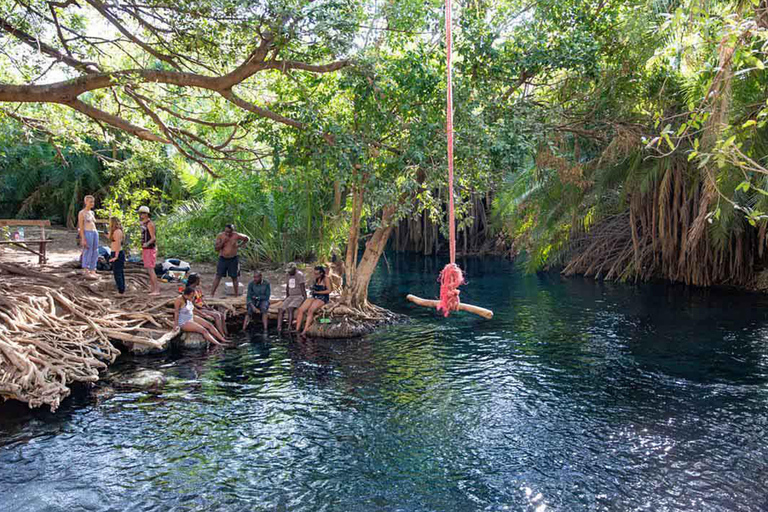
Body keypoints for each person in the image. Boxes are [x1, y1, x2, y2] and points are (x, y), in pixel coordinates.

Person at [210, 224, 250, 297]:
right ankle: (212, 294)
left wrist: (240, 245)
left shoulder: (236, 235)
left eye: (229, 232)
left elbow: (247, 238)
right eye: (226, 232)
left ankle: (236, 295)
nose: (228, 234)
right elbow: (216, 249)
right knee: (218, 276)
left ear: (233, 231)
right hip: (223, 258)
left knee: (234, 277)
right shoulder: (220, 236)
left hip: (233, 259)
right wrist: (223, 242)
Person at [295, 266, 332, 335]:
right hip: (315, 296)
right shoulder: (315, 278)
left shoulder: (326, 278)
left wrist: (318, 292)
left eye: (317, 274)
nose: (315, 275)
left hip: (323, 297)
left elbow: (329, 290)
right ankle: (297, 329)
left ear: (321, 273)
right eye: (314, 273)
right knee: (300, 309)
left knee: (310, 310)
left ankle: (305, 330)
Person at [277, 262, 306, 333]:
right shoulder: (288, 275)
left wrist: (304, 298)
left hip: (298, 296)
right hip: (290, 296)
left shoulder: (299, 275)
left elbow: (302, 287)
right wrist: (287, 297)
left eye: (290, 271)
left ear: (295, 269)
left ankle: (289, 326)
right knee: (281, 309)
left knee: (290, 308)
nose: (289, 272)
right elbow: (287, 287)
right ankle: (279, 327)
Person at [138, 206, 160, 296]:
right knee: (148, 269)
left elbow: (153, 238)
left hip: (150, 248)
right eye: (140, 213)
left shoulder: (150, 224)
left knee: (151, 269)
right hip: (145, 248)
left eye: (142, 213)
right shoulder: (143, 224)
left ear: (146, 214)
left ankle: (156, 289)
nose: (140, 215)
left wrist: (147, 243)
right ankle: (152, 288)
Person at [78, 195, 99, 279]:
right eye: (90, 202)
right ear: (86, 202)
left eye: (93, 202)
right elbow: (81, 226)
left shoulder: (92, 212)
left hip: (94, 232)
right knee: (87, 250)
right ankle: (85, 268)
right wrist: (83, 238)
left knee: (95, 251)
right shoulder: (82, 213)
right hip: (87, 232)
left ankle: (93, 269)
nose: (92, 204)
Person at [108, 217, 126, 294]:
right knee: (118, 272)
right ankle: (121, 288)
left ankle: (121, 290)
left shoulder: (118, 232)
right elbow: (114, 241)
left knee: (118, 273)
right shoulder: (115, 232)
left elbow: (118, 244)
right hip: (115, 252)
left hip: (117, 253)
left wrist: (116, 256)